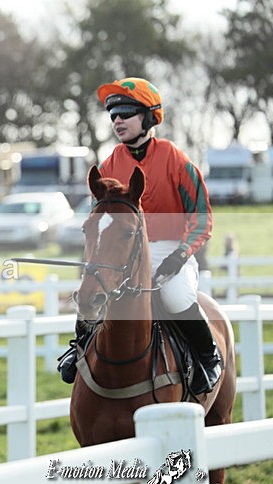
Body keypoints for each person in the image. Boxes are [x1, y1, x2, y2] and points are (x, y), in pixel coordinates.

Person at [57, 77, 222, 396]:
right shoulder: (108, 165)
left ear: (148, 116)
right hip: (120, 253)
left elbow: (201, 217)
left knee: (175, 297)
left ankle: (208, 356)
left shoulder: (176, 160)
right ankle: (78, 347)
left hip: (172, 252)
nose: (117, 120)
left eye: (126, 113)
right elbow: (98, 223)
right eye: (113, 115)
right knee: (92, 290)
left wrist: (180, 255)